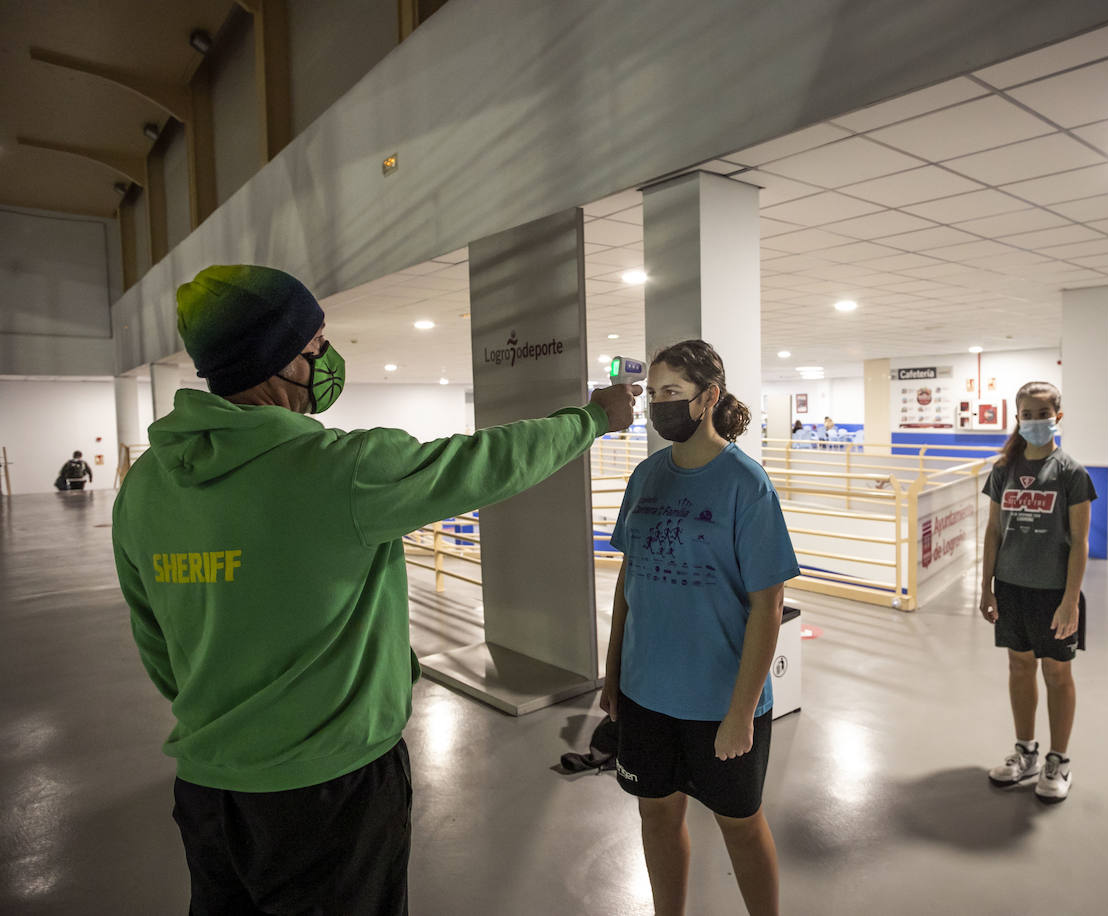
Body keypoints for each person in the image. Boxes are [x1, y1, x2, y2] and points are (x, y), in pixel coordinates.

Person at [110, 264, 638, 915]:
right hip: (331, 792)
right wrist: (591, 419)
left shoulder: (144, 488)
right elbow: (488, 462)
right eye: (315, 346)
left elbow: (156, 645)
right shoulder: (340, 471)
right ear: (278, 361)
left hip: (208, 790)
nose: (328, 359)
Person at [601, 339, 798, 916]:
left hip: (720, 700)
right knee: (655, 811)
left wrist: (741, 713)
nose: (658, 405)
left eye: (673, 393)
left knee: (740, 824)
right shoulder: (646, 477)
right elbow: (626, 583)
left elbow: (768, 606)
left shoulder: (745, 483)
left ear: (707, 398)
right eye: (654, 393)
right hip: (645, 692)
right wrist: (612, 671)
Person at [979, 381, 1094, 805]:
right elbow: (993, 530)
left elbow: (1080, 542)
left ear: (1057, 418)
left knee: (1057, 673)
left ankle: (1058, 760)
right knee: (1019, 666)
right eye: (1026, 414)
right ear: (1018, 418)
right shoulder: (1003, 470)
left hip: (1053, 592)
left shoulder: (1071, 473)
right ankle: (1026, 752)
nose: (1034, 422)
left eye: (1042, 414)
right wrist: (986, 585)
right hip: (1011, 587)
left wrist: (1070, 600)